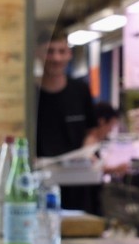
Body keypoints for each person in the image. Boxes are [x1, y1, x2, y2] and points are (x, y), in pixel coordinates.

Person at [34, 31, 97, 160]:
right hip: (40, 171)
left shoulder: (81, 89)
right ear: (38, 54)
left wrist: (88, 151)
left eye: (62, 51)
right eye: (49, 52)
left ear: (69, 54)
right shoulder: (29, 93)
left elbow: (92, 131)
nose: (56, 58)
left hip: (76, 170)